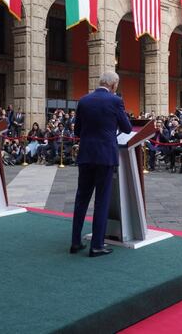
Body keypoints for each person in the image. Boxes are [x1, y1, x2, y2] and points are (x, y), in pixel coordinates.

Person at [70, 72, 132, 257]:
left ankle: (75, 242)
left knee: (81, 199)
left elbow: (78, 130)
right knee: (101, 201)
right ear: (114, 85)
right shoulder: (115, 101)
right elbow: (127, 128)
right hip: (105, 156)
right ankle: (97, 245)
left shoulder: (84, 100)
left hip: (86, 154)